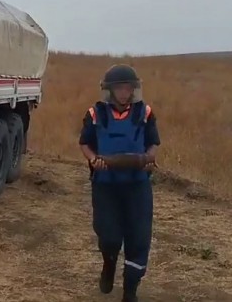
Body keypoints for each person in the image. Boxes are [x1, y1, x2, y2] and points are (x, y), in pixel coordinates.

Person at [78, 64, 161, 302]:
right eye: (119, 88)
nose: (124, 93)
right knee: (109, 235)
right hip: (106, 184)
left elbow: (153, 143)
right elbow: (85, 143)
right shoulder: (95, 114)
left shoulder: (144, 112)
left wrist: (149, 158)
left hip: (137, 185)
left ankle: (130, 290)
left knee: (138, 236)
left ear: (134, 89)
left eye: (128, 88)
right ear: (110, 90)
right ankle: (109, 263)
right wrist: (94, 160)